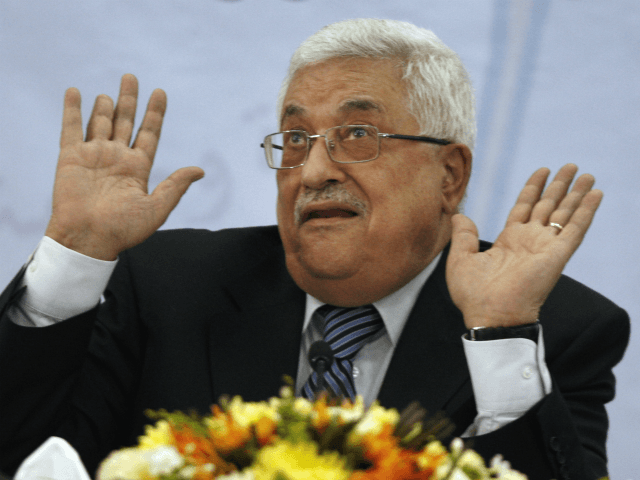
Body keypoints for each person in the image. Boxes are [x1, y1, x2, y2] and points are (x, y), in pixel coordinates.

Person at [0, 18, 629, 480]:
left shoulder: (553, 327)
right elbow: (28, 458)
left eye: (357, 133)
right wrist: (75, 258)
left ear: (450, 176)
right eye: (295, 139)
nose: (312, 170)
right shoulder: (168, 287)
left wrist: (499, 337)